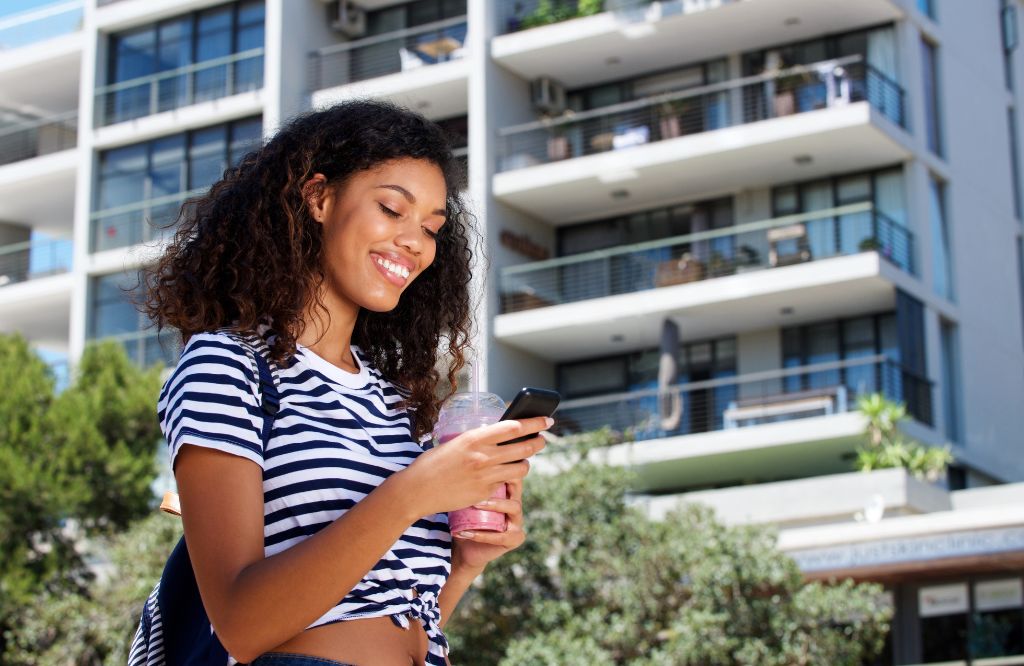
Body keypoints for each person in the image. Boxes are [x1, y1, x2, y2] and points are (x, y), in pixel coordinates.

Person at [142, 100, 551, 666]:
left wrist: (466, 561)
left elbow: (390, 614)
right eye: (391, 208)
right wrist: (414, 494)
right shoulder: (228, 365)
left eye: (432, 228)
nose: (415, 243)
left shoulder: (390, 401)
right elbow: (240, 622)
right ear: (318, 197)